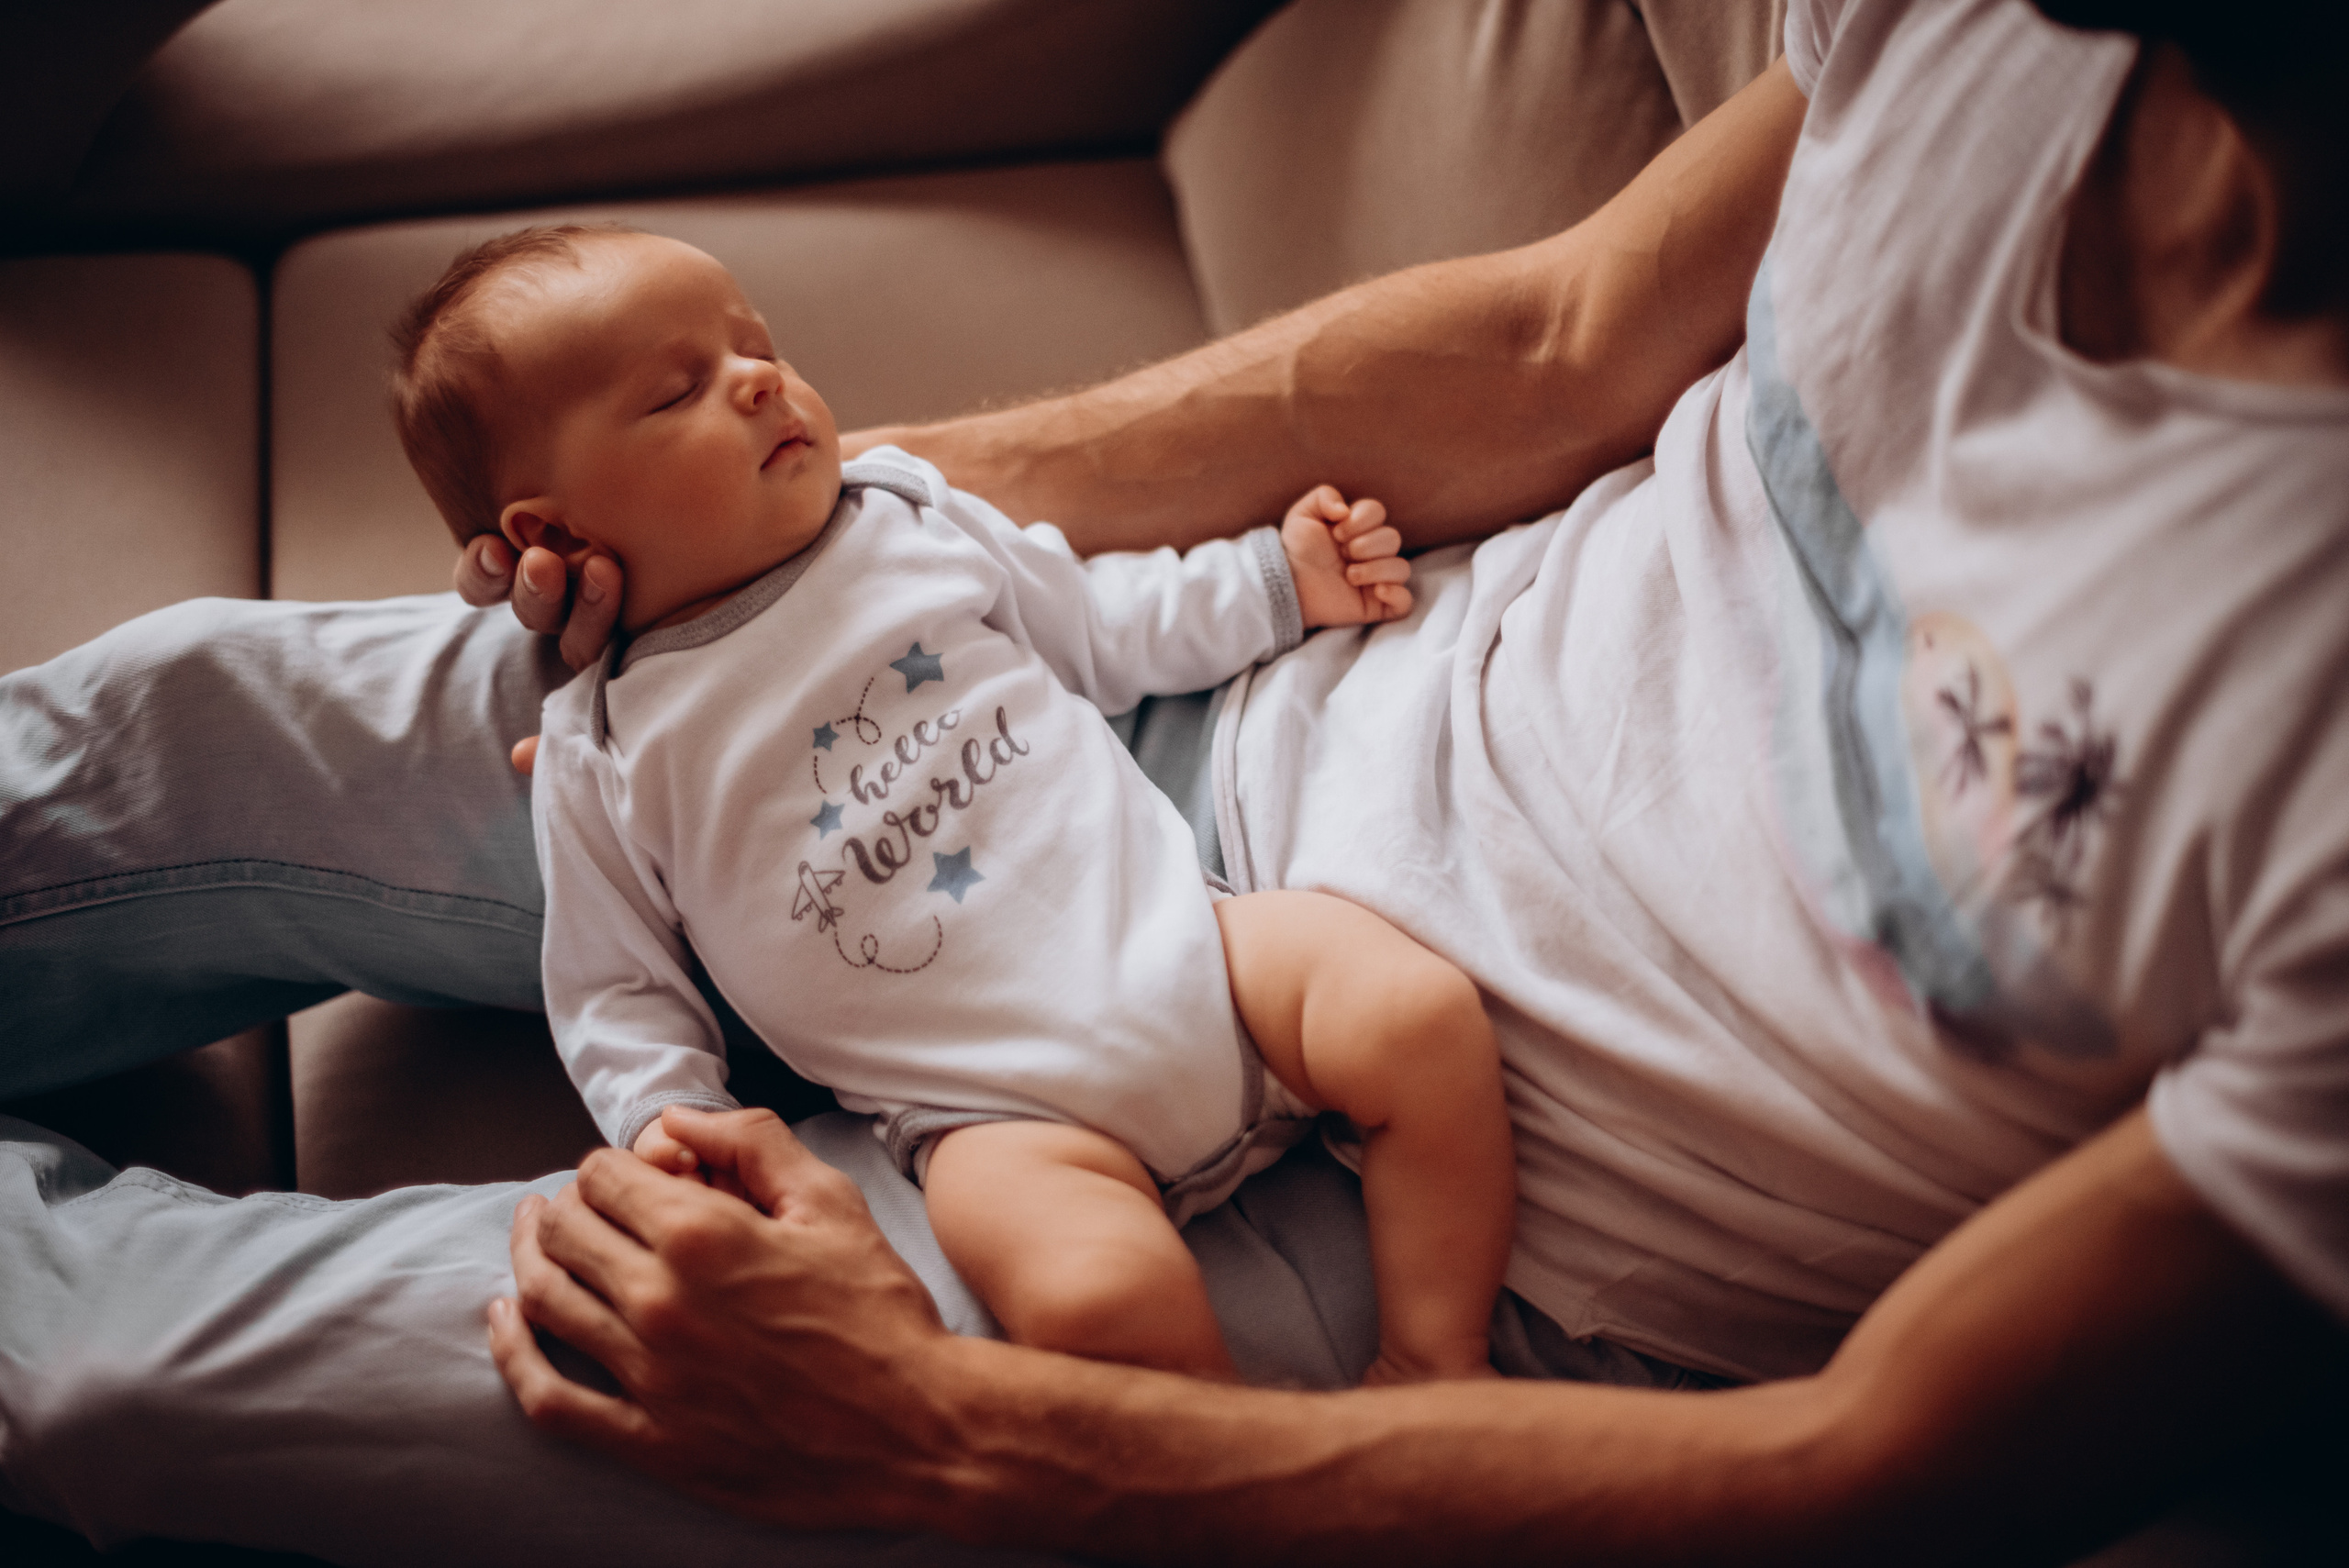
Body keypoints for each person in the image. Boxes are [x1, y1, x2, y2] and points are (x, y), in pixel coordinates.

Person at [1, 0, 2343, 1562]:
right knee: (177, 719)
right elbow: (1560, 337)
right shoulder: (2005, 36)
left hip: (1382, 1236)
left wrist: (947, 1433)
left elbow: (1877, 1474)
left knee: (124, 1379)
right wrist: (799, 558)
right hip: (1157, 723)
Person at [395, 223, 1509, 1384]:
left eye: (754, 345)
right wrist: (666, 1121)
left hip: (1201, 953)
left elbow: (1096, 621)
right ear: (551, 531)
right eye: (680, 389)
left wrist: (1274, 584)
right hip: (994, 1120)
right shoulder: (600, 744)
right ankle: (1244, 1464)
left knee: (1419, 1018)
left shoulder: (903, 519)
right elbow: (614, 982)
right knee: (1092, 1297)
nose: (761, 378)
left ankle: (1435, 1364)